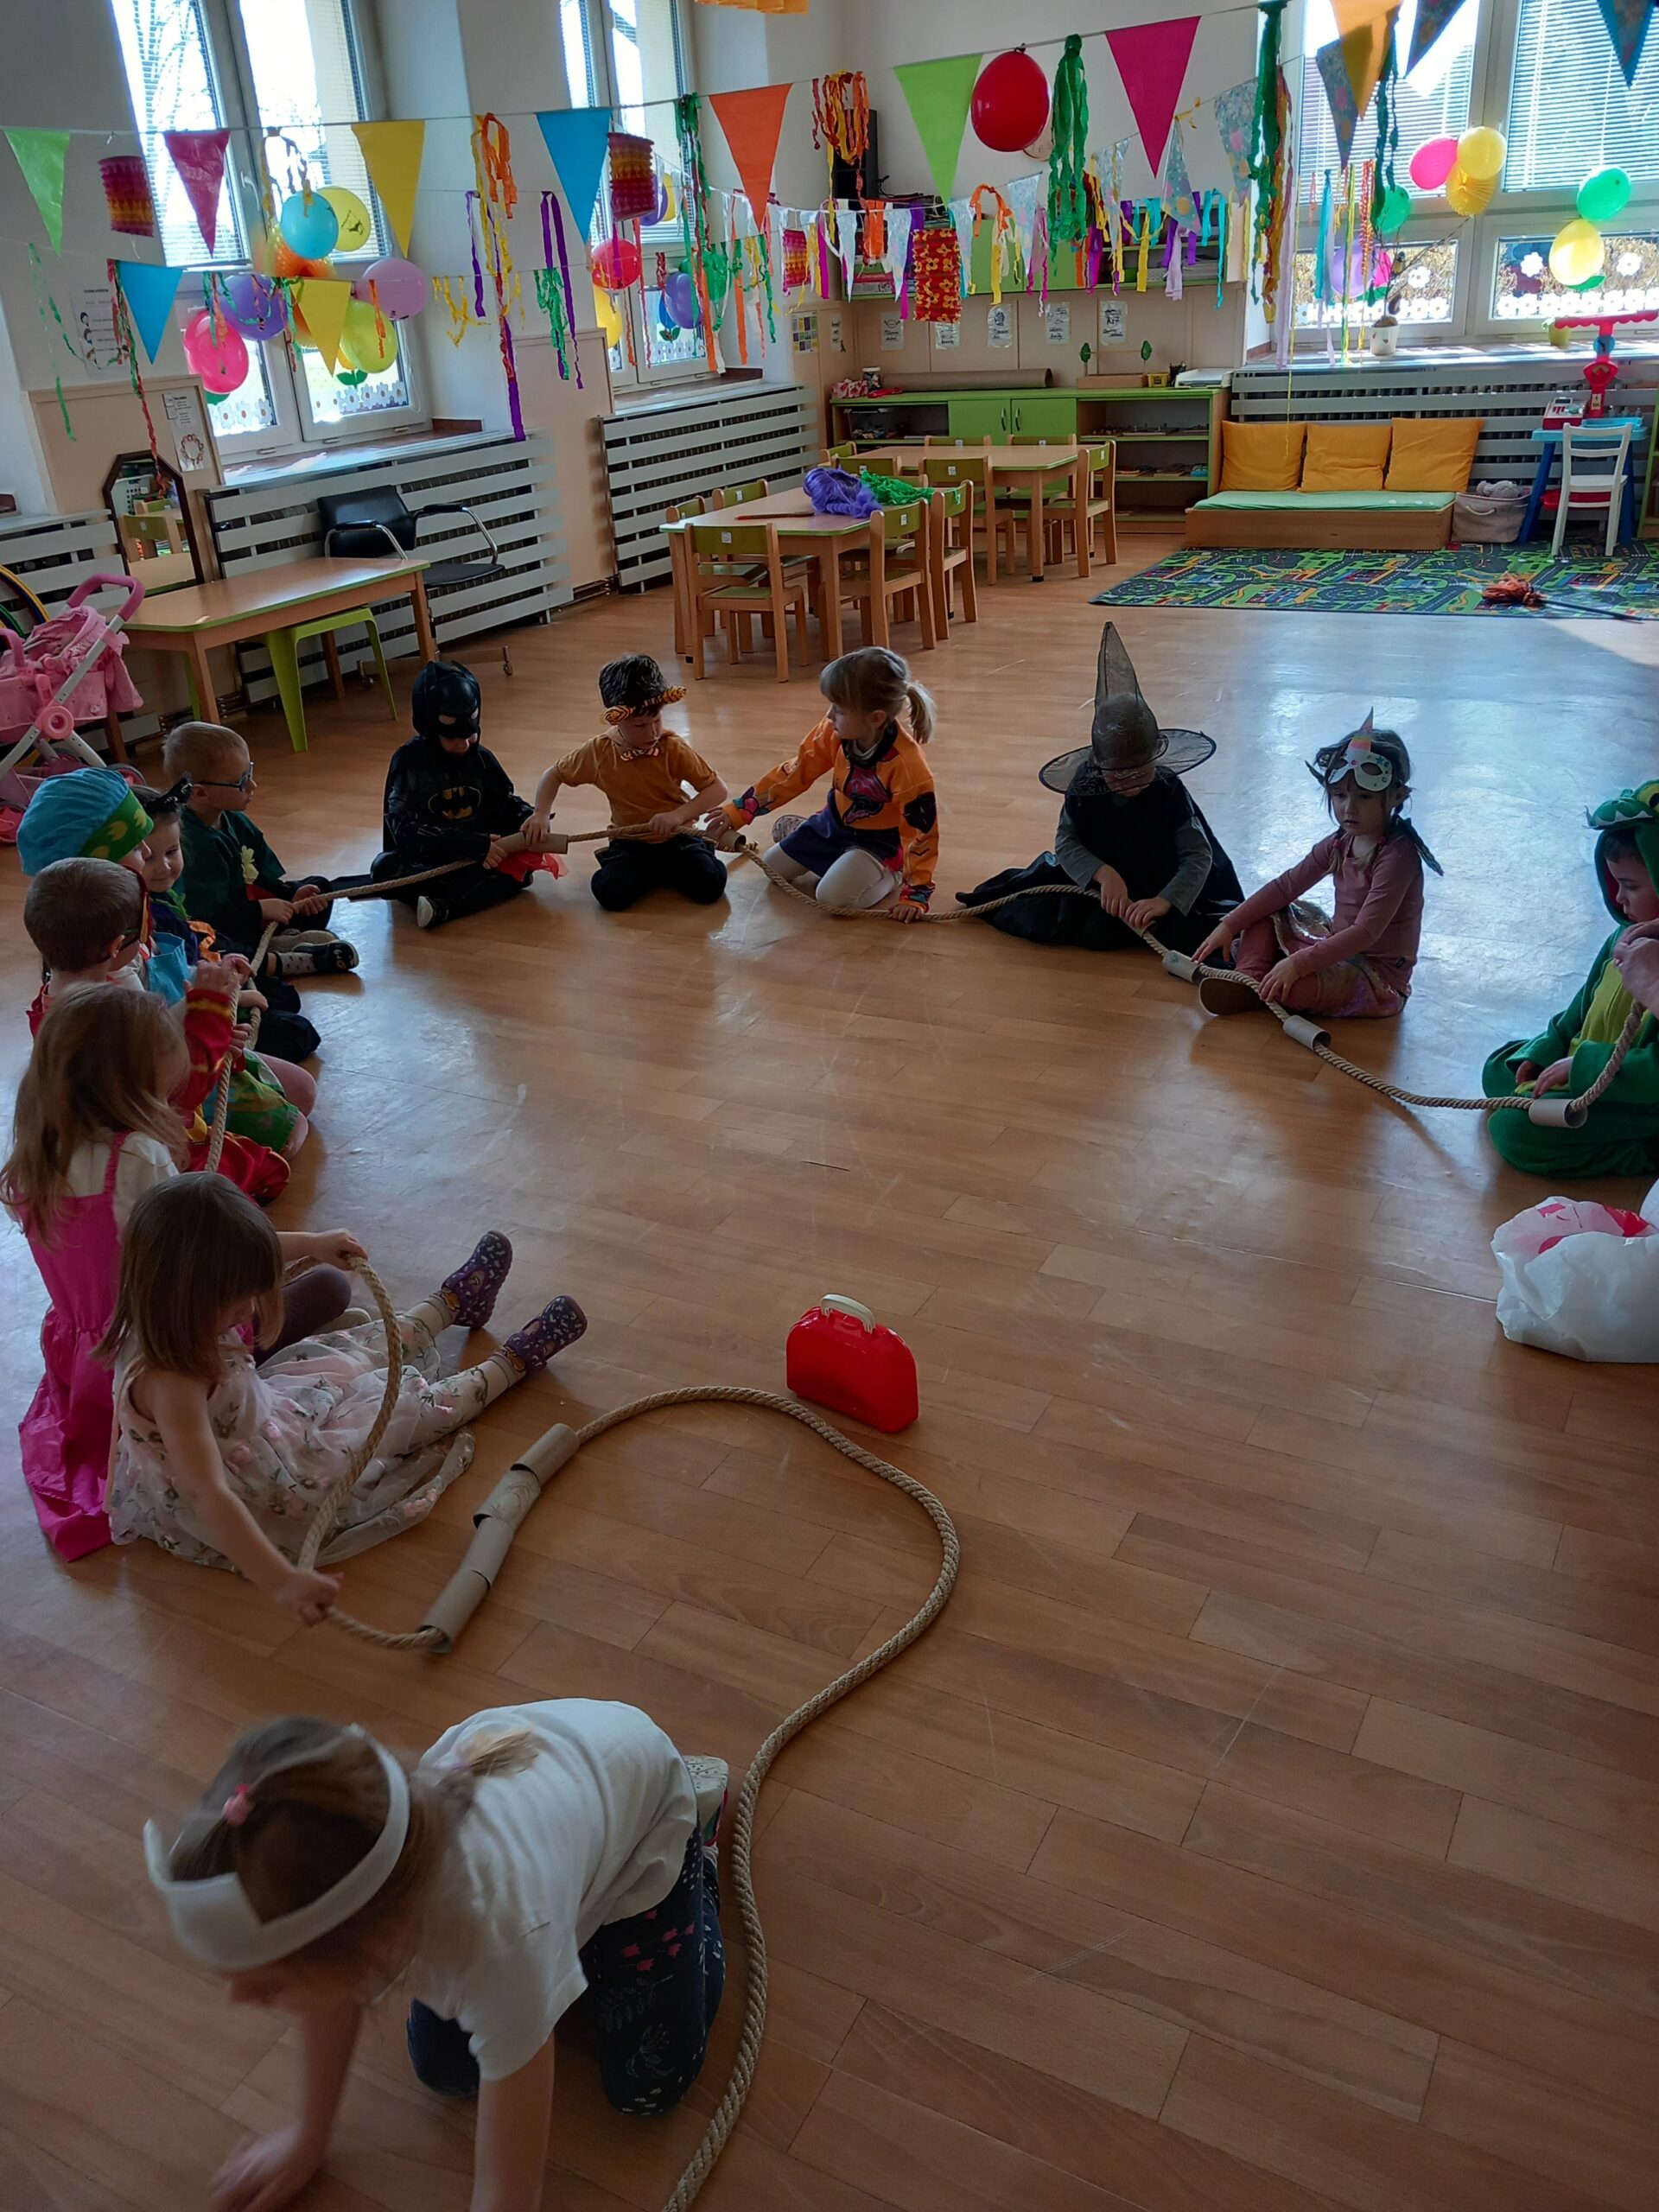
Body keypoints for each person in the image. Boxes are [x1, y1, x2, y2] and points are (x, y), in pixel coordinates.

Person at [144, 1701, 728, 2212]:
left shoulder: (500, 1945)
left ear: (368, 1944)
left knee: (648, 2084)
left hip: (643, 1819)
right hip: (561, 1801)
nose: (237, 1999)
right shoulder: (377, 1879)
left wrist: (531, 1987)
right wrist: (308, 2139)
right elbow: (335, 1990)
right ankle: (573, 1938)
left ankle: (697, 1861)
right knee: (443, 2070)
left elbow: (508, 2196)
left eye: (271, 1987)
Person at [103, 1174, 587, 1601]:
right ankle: (510, 1364)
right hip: (266, 1481)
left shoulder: (166, 1302)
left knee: (353, 1351)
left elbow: (246, 1251)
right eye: (234, 1302)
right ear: (186, 1293)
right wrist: (280, 1580)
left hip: (268, 1417)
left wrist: (313, 1244)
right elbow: (206, 1491)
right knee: (402, 1412)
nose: (249, 1310)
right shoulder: (173, 1381)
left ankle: (450, 1304)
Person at [1, 988, 351, 1562]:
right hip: (165, 1341)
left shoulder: (35, 1159)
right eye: (162, 1085)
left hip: (83, 1365)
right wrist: (311, 1244)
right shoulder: (137, 1159)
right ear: (130, 1088)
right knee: (331, 1288)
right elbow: (208, 1257)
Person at [957, 623, 1243, 954]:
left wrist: (1165, 900)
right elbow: (1066, 842)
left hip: (1161, 881)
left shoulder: (1167, 790)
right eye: (1119, 775)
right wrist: (1103, 874)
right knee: (1089, 930)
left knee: (1186, 932)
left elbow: (1198, 855)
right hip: (1103, 883)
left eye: (1141, 772)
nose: (1131, 782)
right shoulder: (1084, 786)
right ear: (1099, 765)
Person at [22, 858, 290, 1205]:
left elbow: (151, 1038)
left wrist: (197, 1007)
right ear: (116, 946)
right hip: (142, 1154)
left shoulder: (52, 1006)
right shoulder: (116, 1017)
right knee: (269, 1167)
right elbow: (184, 1092)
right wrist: (210, 1020)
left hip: (81, 1151)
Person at [1193, 718, 1440, 1019]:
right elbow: (1286, 886)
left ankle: (1262, 980)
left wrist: (1298, 965)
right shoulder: (1340, 841)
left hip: (1376, 977)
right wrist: (1229, 924)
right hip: (1336, 947)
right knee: (1267, 911)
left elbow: (1366, 932)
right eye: (1340, 795)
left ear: (1397, 797)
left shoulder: (1398, 855)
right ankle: (1250, 978)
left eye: (1364, 797)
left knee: (1295, 987)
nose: (1349, 808)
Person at [1483, 785, 1659, 1179]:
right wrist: (1546, 1050)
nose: (1618, 899)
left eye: (1631, 886)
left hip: (1632, 1097)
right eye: (1614, 883)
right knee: (1498, 1067)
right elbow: (1580, 1009)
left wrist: (1581, 1068)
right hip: (1585, 1064)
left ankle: (1643, 1151)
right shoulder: (1622, 937)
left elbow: (1653, 1073)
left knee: (1513, 1131)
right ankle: (1544, 1091)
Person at [136, 779, 313, 1159]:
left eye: (172, 851)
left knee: (303, 1084)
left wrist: (222, 979)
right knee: (293, 1118)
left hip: (199, 1032)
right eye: (147, 857)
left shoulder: (161, 905)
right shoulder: (124, 939)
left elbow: (188, 964)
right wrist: (219, 1007)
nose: (163, 867)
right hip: (178, 1065)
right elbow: (158, 1035)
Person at [710, 647, 937, 920]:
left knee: (833, 898)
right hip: (833, 824)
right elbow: (795, 773)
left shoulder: (908, 765)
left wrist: (915, 893)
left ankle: (892, 872)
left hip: (880, 843)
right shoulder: (834, 731)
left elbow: (921, 832)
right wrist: (740, 811)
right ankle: (838, 859)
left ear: (876, 718)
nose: (829, 715)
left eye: (839, 709)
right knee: (772, 867)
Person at [371, 658, 562, 931]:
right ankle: (473, 893)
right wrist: (468, 844)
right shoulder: (409, 764)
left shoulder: (481, 758)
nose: (464, 745)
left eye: (470, 735)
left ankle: (446, 904)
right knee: (385, 869)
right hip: (434, 860)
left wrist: (529, 818)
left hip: (483, 853)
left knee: (521, 855)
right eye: (452, 738)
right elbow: (404, 830)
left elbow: (504, 802)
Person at [527, 655, 728, 912]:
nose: (652, 732)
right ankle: (653, 871)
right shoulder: (599, 752)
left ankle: (686, 860)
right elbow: (553, 775)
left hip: (678, 836)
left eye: (657, 721)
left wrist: (679, 815)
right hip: (631, 842)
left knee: (710, 884)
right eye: (639, 725)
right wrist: (540, 814)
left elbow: (717, 789)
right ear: (616, 720)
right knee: (609, 892)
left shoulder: (672, 747)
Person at [165, 721, 359, 976]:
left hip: (249, 906)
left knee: (318, 888)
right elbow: (208, 915)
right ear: (200, 793)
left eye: (250, 773)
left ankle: (280, 937)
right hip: (225, 922)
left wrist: (291, 895)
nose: (252, 786)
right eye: (241, 781)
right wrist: (260, 910)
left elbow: (262, 876)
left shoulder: (234, 819)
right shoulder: (192, 841)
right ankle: (278, 951)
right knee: (211, 945)